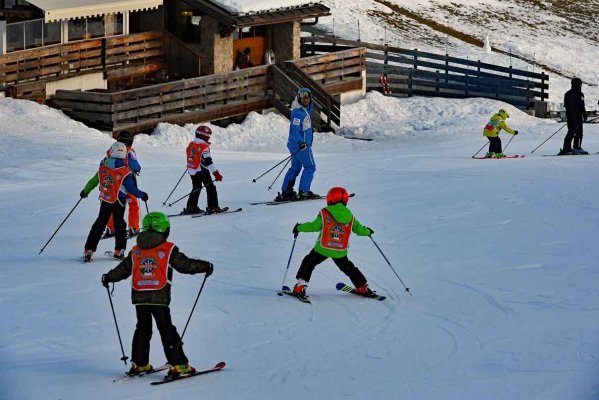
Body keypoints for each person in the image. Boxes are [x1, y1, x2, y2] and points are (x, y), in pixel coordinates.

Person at [101, 212, 214, 377]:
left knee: (142, 328)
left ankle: (140, 364)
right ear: (164, 230)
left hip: (140, 295)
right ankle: (179, 364)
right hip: (159, 296)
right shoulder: (167, 249)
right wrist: (205, 266)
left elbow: (123, 269)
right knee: (166, 328)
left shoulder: (136, 250)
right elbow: (185, 265)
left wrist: (109, 277)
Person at [290, 187, 377, 299]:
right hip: (340, 250)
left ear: (330, 199)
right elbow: (359, 230)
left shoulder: (325, 212)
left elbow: (314, 226)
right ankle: (362, 287)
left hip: (323, 248)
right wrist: (368, 231)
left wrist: (299, 227)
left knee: (309, 262)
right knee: (349, 268)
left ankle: (300, 287)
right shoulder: (350, 216)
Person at [80, 142, 148, 262]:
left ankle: (89, 250)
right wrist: (142, 195)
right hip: (119, 202)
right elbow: (131, 188)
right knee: (120, 225)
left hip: (106, 199)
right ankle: (119, 251)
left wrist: (85, 191)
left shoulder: (104, 166)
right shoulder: (124, 171)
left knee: (99, 224)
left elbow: (94, 181)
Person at [275, 87, 318, 201]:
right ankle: (304, 191)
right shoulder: (298, 113)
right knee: (310, 167)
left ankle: (286, 191)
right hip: (301, 145)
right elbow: (294, 130)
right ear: (298, 98)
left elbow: (309, 108)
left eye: (308, 98)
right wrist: (301, 142)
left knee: (295, 168)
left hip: (294, 145)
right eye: (303, 98)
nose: (306, 100)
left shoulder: (302, 110)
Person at [104, 131, 142, 239]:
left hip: (114, 184)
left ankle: (111, 228)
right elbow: (135, 166)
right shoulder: (130, 151)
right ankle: (134, 227)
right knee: (133, 204)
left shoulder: (111, 150)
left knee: (113, 205)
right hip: (128, 183)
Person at [183, 125, 224, 215]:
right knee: (211, 188)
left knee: (196, 188)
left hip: (192, 170)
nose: (208, 138)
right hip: (202, 171)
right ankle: (213, 207)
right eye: (208, 136)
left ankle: (191, 208)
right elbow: (209, 162)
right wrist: (216, 173)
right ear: (204, 136)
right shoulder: (204, 147)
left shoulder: (192, 144)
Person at [559, 77, 588, 155]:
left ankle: (566, 148)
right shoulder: (580, 94)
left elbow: (566, 106)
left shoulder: (567, 94)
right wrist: (584, 114)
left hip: (570, 116)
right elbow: (582, 105)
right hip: (577, 116)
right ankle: (576, 147)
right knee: (579, 132)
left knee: (571, 132)